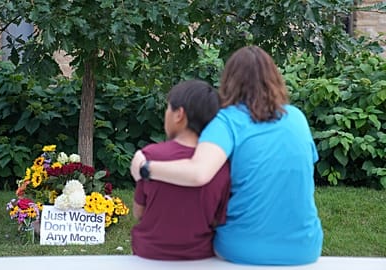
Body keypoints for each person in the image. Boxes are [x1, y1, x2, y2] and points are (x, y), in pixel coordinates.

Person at [130, 46, 323, 265]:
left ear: (229, 80)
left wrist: (146, 168)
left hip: (242, 248)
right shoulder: (296, 117)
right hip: (305, 248)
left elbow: (198, 173)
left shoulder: (226, 121)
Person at [131, 79, 231, 260]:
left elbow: (139, 211)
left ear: (179, 114)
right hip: (199, 255)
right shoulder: (221, 166)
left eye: (168, 108)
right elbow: (218, 219)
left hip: (149, 253)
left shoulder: (150, 156)